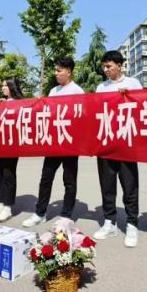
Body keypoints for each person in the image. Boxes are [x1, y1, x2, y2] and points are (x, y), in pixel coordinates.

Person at [22, 57, 85, 228]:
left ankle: (66, 215)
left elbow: (81, 116)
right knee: (46, 178)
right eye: (55, 70)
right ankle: (40, 213)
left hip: (70, 143)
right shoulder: (53, 91)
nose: (56, 73)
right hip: (54, 143)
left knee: (69, 180)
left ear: (69, 71)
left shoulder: (77, 91)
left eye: (59, 70)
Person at [94, 50, 143, 247]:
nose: (106, 70)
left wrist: (128, 98)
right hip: (106, 142)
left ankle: (132, 223)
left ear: (120, 65)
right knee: (107, 185)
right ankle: (109, 221)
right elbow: (96, 111)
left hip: (126, 142)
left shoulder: (133, 84)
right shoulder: (101, 87)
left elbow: (143, 108)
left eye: (109, 66)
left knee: (129, 185)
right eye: (104, 67)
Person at [0, 78, 24, 222]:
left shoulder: (20, 103)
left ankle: (8, 207)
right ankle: (0, 203)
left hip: (12, 144)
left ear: (12, 87)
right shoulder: (1, 102)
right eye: (2, 86)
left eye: (6, 86)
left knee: (8, 173)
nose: (3, 88)